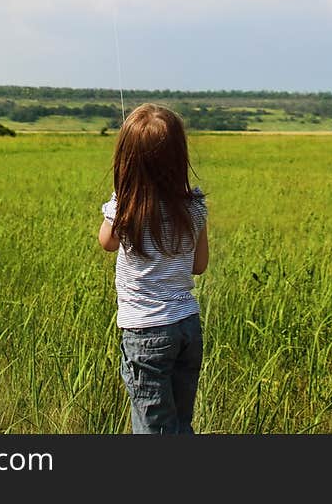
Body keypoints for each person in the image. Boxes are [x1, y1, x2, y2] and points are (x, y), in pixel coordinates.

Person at [98, 103, 209, 434]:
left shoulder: (127, 207)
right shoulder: (195, 204)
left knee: (153, 429)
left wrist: (121, 196)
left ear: (128, 160)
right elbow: (199, 265)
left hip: (145, 332)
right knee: (179, 424)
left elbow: (106, 241)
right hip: (187, 326)